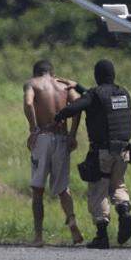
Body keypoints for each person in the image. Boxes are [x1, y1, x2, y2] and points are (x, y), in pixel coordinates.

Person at [55, 59, 131, 249]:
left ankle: (102, 236)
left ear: (96, 76)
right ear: (113, 75)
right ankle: (124, 211)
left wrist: (60, 115)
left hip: (103, 151)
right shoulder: (123, 93)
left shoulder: (94, 94)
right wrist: (80, 87)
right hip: (124, 150)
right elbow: (100, 99)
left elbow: (78, 106)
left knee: (98, 190)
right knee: (118, 185)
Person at [23, 60, 84, 246]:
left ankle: (39, 236)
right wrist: (72, 134)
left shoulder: (32, 83)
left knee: (38, 189)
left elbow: (28, 102)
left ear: (36, 73)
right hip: (62, 138)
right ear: (52, 72)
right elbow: (78, 105)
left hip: (43, 137)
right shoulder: (63, 85)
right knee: (63, 188)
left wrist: (33, 129)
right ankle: (72, 221)